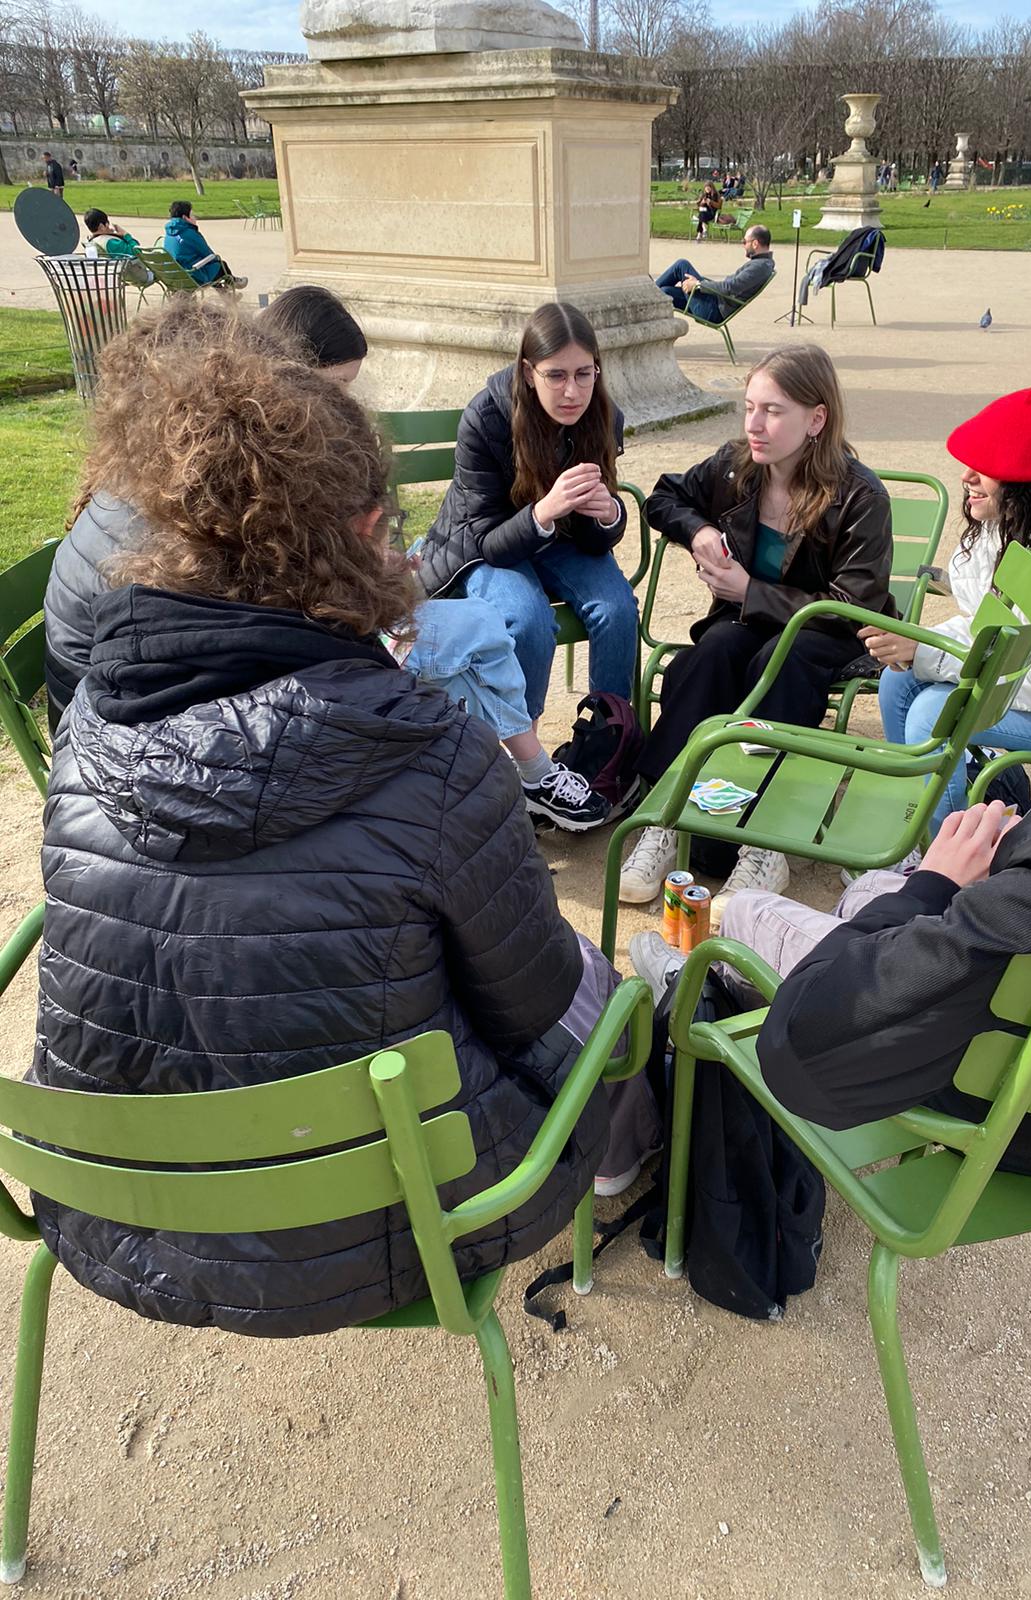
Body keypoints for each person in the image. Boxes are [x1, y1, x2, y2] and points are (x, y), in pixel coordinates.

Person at [29, 298, 633, 1338]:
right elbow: (546, 1015)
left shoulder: (80, 741)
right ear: (361, 535)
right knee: (606, 1006)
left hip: (116, 1205)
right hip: (384, 1229)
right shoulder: (441, 757)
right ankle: (638, 1160)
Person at [634, 437, 1031, 1183]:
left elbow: (807, 1049)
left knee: (740, 919)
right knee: (872, 892)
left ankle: (688, 981)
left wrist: (936, 887)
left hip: (1010, 1117)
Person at [43, 291, 607, 830]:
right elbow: (266, 617)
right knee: (468, 644)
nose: (341, 410)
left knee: (465, 641)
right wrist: (366, 584)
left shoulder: (179, 465)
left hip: (132, 729)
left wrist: (366, 565)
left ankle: (518, 778)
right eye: (334, 389)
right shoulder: (194, 493)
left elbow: (267, 589)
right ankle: (516, 780)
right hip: (164, 740)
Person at [618, 344, 895, 921]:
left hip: (829, 632)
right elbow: (665, 496)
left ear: (816, 419)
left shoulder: (862, 496)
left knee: (782, 659)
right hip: (743, 621)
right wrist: (696, 532)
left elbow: (853, 605)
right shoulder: (733, 465)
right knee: (710, 652)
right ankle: (666, 814)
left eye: (773, 410)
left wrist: (750, 591)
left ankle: (766, 842)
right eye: (749, 407)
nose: (754, 424)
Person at [858, 387, 1031, 842]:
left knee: (932, 713)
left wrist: (930, 653)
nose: (966, 477)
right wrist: (921, 647)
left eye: (986, 470)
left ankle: (947, 865)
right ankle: (922, 825)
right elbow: (995, 621)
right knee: (898, 679)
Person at [417, 302, 639, 817]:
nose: (572, 391)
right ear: (528, 371)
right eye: (556, 375)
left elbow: (595, 538)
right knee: (530, 617)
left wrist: (608, 514)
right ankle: (530, 766)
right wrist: (544, 511)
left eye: (584, 374)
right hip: (486, 545)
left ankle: (606, 749)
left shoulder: (603, 416)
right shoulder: (487, 416)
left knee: (617, 608)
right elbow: (484, 539)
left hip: (556, 536)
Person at [655, 224, 775, 324]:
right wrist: (700, 283)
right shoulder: (763, 264)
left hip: (713, 310)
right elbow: (729, 287)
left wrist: (698, 284)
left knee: (681, 265)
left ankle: (645, 295)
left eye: (744, 242)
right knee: (665, 292)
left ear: (755, 244)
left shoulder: (759, 266)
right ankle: (648, 296)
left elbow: (730, 287)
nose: (743, 245)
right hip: (714, 302)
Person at [163, 199, 247, 289]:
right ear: (185, 217)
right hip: (193, 276)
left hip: (175, 276)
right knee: (220, 265)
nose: (195, 218)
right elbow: (207, 253)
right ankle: (232, 283)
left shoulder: (169, 234)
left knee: (209, 268)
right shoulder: (190, 233)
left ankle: (227, 295)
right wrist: (216, 260)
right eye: (192, 215)